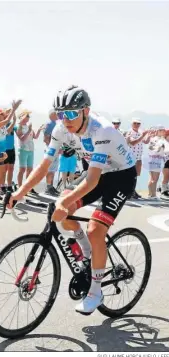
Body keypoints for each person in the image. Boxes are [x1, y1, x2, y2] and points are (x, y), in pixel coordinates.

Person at [10, 85, 137, 315]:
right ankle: (88, 251)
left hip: (120, 177)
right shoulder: (61, 129)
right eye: (61, 113)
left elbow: (91, 181)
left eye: (71, 114)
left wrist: (63, 204)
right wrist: (20, 192)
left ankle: (95, 292)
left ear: (85, 111)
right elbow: (45, 164)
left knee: (95, 229)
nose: (65, 119)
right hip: (96, 173)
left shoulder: (103, 131)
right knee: (63, 210)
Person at [0, 101, 20, 200]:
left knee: (0, 174)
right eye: (2, 114)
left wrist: (14, 121)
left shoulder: (0, 127)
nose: (4, 115)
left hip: (0, 153)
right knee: (1, 174)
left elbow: (7, 131)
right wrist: (14, 109)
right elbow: (6, 121)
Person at [15, 110, 42, 193]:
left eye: (29, 116)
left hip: (31, 150)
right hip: (23, 149)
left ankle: (28, 188)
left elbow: (35, 137)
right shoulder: (18, 126)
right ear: (22, 117)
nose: (28, 118)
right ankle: (20, 187)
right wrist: (29, 130)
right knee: (22, 169)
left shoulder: (28, 126)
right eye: (27, 116)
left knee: (30, 170)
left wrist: (39, 130)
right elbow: (22, 138)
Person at [144, 126, 168, 199]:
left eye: (163, 130)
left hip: (156, 159)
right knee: (154, 179)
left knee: (152, 178)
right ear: (158, 131)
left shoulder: (161, 139)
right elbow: (151, 148)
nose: (163, 131)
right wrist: (159, 148)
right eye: (161, 130)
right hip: (155, 160)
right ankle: (153, 195)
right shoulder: (156, 139)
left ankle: (150, 194)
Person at [125, 118, 146, 199]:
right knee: (129, 175)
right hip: (131, 157)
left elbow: (146, 141)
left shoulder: (140, 132)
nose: (137, 125)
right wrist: (143, 135)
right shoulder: (129, 132)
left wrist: (148, 136)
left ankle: (133, 190)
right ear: (132, 124)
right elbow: (132, 143)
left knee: (136, 175)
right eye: (135, 123)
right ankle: (128, 191)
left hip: (138, 157)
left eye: (138, 123)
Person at [42, 110, 61, 196]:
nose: (58, 115)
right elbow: (46, 138)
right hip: (51, 149)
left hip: (55, 149)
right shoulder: (50, 124)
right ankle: (48, 187)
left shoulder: (55, 124)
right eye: (56, 114)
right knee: (50, 169)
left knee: (53, 169)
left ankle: (51, 187)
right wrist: (52, 148)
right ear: (52, 115)